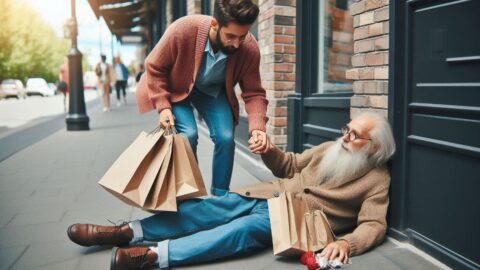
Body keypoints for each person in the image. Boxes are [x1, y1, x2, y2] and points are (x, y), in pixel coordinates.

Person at [67, 112, 396, 270]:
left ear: (375, 147)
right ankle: (126, 232)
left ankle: (154, 257)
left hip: (295, 220)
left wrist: (344, 242)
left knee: (239, 231)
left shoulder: (376, 180)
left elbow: (374, 226)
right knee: (206, 208)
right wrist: (268, 149)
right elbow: (290, 166)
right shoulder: (330, 148)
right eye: (346, 129)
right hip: (267, 193)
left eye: (354, 135)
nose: (345, 137)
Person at [136, 0, 270, 196]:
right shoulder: (183, 29)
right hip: (178, 89)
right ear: (215, 24)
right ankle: (193, 194)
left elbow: (254, 92)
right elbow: (154, 65)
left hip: (212, 92)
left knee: (226, 138)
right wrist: (163, 106)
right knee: (188, 135)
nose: (236, 43)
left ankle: (220, 196)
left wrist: (258, 128)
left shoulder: (248, 48)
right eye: (230, 36)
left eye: (242, 36)